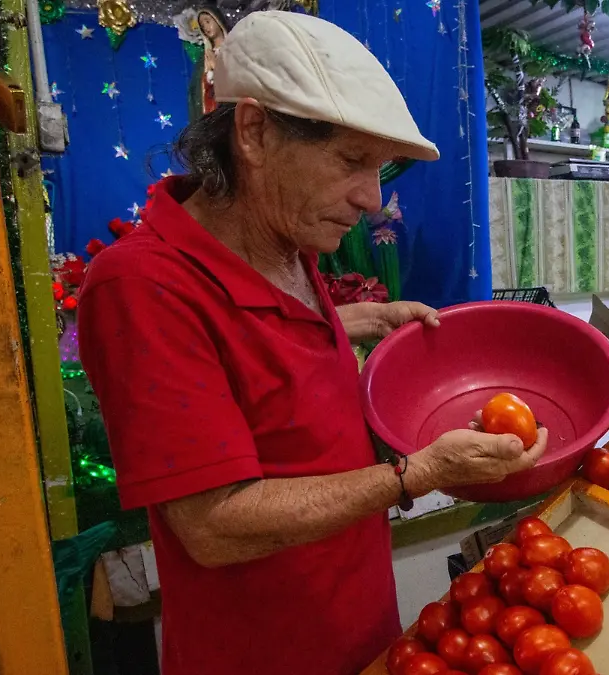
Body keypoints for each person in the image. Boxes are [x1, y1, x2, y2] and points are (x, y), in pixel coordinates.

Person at [78, 11, 547, 675]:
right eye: (353, 162)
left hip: (359, 632)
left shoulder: (285, 243)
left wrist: (361, 325)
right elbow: (215, 524)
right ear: (254, 131)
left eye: (379, 169)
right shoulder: (143, 286)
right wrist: (419, 473)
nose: (370, 199)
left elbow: (256, 348)